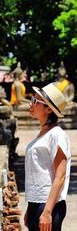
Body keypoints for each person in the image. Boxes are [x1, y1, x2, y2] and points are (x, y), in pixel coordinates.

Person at [24, 83, 71, 231]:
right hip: (37, 204)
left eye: (36, 101)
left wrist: (47, 212)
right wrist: (30, 207)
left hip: (49, 206)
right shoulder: (43, 133)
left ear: (49, 109)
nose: (31, 104)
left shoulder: (56, 135)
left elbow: (60, 176)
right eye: (32, 99)